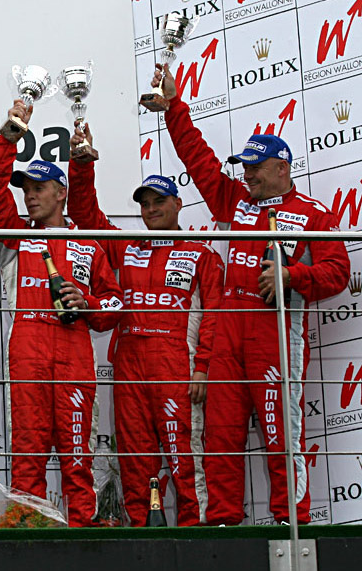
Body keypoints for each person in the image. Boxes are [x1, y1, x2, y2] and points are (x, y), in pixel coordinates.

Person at [148, 64, 350, 525]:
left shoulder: (314, 214)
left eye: (257, 168)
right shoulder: (233, 199)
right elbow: (197, 160)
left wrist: (293, 277)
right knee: (219, 436)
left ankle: (289, 520)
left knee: (282, 433)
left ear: (283, 168)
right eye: (246, 168)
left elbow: (338, 272)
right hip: (226, 330)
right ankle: (222, 521)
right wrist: (174, 108)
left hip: (274, 331)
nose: (250, 175)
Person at [67, 125, 224, 526]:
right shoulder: (129, 245)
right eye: (145, 204)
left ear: (177, 204)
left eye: (159, 202)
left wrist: (203, 367)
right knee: (136, 461)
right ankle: (140, 533)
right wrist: (82, 168)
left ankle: (196, 534)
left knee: (185, 457)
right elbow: (87, 219)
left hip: (176, 369)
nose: (151, 209)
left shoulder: (202, 253)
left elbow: (214, 318)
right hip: (131, 368)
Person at [0, 100, 123, 527]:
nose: (31, 196)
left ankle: (84, 532)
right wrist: (10, 134)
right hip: (27, 352)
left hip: (76, 354)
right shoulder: (16, 236)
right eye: (26, 189)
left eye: (39, 188)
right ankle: (30, 530)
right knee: (28, 457)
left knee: (79, 456)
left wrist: (88, 302)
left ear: (61, 193)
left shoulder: (90, 241)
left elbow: (113, 305)